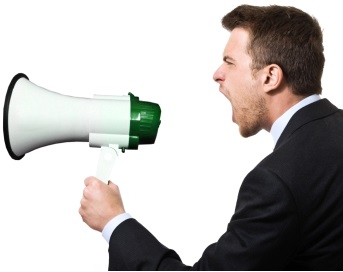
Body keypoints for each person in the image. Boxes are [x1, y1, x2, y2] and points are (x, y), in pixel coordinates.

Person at [79, 4, 343, 270]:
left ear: (270, 76)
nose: (217, 74)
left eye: (230, 62)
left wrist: (113, 221)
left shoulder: (276, 182)